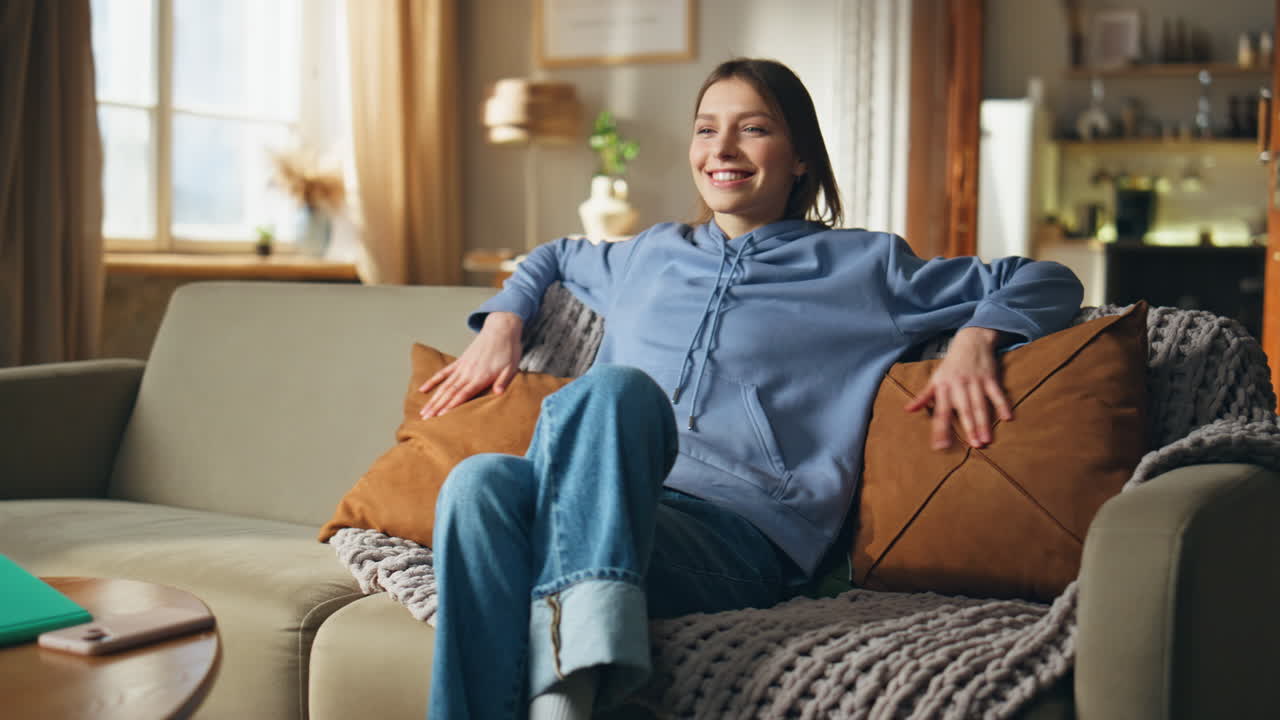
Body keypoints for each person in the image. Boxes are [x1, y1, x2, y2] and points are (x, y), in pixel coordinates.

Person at [419, 58, 1083, 720]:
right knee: (478, 486)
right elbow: (554, 256)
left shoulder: (867, 268)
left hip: (735, 540)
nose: (722, 150)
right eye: (706, 130)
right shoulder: (649, 252)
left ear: (799, 158)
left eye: (753, 129)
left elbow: (1044, 278)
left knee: (618, 394)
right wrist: (504, 322)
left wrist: (977, 338)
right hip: (597, 507)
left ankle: (569, 696)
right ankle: (573, 672)